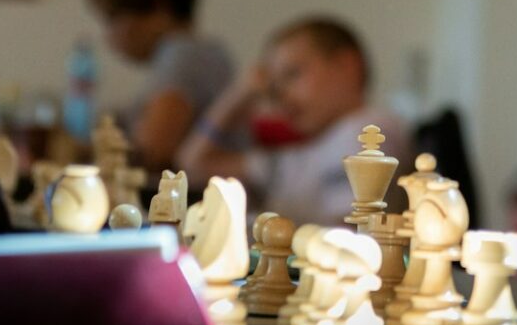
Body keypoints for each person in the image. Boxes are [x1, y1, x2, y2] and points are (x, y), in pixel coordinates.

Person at [177, 15, 413, 226]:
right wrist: (241, 92)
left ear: (346, 65)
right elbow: (193, 165)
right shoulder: (308, 153)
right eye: (274, 87)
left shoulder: (368, 130)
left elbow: (346, 232)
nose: (282, 96)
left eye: (292, 74)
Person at [84, 0, 235, 173]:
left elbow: (151, 154)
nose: (109, 35)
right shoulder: (206, 53)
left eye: (113, 17)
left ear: (158, 6)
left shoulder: (183, 55)